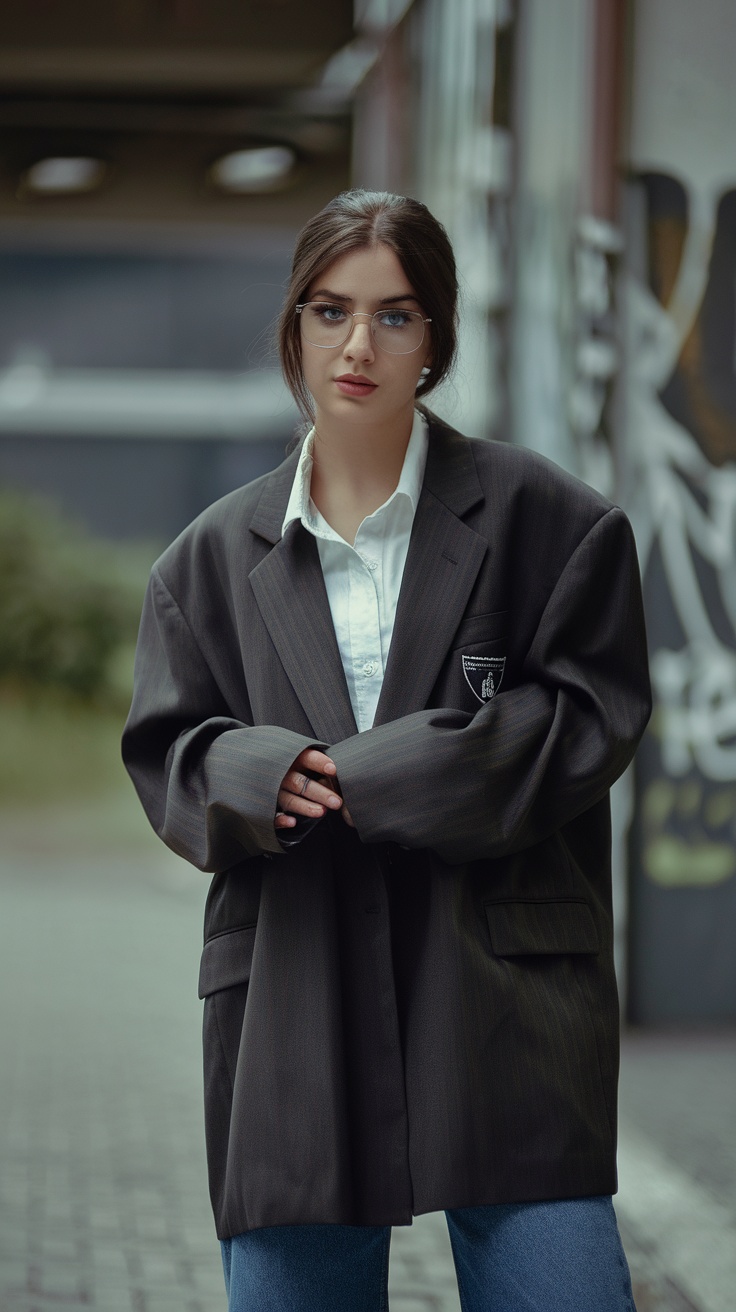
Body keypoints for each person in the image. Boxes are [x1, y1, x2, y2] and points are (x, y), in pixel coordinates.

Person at [122, 189, 651, 1312]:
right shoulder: (204, 563)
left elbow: (590, 711)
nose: (357, 346)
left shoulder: (554, 524)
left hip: (505, 997)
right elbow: (168, 749)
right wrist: (260, 777)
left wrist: (378, 775)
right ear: (294, 328)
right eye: (329, 311)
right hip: (293, 1003)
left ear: (437, 339)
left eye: (395, 315)